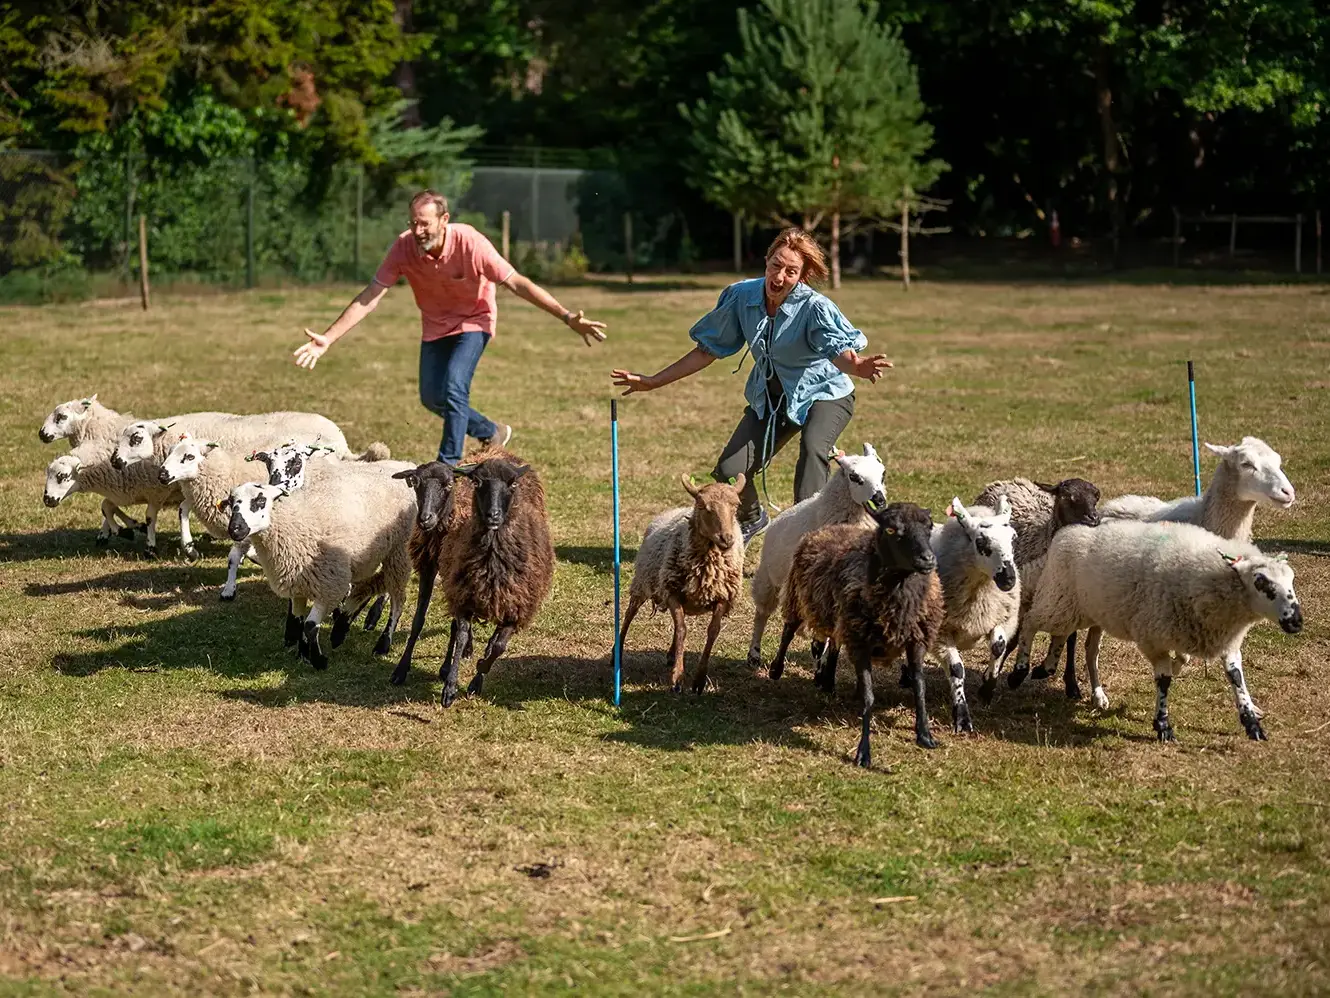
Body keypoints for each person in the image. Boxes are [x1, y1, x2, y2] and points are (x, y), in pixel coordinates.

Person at [611, 227, 891, 544]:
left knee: (814, 448)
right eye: (776, 265)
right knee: (729, 469)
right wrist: (652, 381)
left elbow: (838, 354)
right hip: (772, 397)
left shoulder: (813, 307)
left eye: (791, 271)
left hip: (825, 394)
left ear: (803, 275)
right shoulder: (742, 297)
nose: (780, 276)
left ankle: (810, 541)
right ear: (766, 260)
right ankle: (753, 516)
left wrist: (857, 366)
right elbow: (707, 350)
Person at [294, 189, 607, 464]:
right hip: (435, 326)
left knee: (455, 386)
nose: (417, 230)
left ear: (444, 220)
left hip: (474, 321)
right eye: (412, 222)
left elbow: (518, 283)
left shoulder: (471, 243)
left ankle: (447, 467)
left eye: (424, 223)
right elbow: (370, 295)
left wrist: (567, 317)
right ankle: (491, 431)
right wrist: (329, 338)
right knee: (432, 397)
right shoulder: (403, 248)